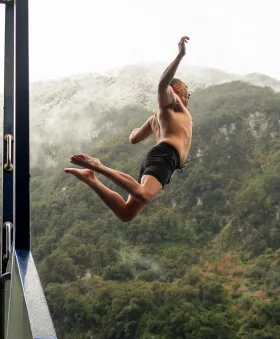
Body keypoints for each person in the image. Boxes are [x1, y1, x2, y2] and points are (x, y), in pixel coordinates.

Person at [65, 36, 193, 222]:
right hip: (165, 156)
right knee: (144, 195)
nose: (189, 94)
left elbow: (133, 138)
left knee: (126, 213)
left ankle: (90, 178)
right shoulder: (173, 104)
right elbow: (162, 84)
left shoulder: (156, 118)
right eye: (186, 89)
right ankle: (97, 167)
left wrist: (135, 129)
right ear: (176, 90)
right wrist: (180, 55)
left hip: (160, 158)